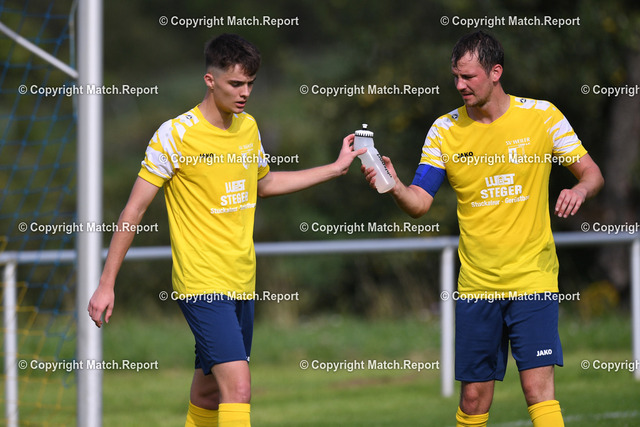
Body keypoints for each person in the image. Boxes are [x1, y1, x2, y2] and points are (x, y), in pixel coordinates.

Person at [88, 33, 365, 427]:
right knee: (238, 389)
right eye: (235, 83)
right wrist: (106, 283)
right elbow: (133, 210)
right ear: (210, 79)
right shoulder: (175, 135)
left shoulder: (248, 128)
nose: (244, 92)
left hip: (242, 281)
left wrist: (335, 169)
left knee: (208, 392)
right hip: (201, 284)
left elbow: (265, 183)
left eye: (250, 83)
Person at [361, 30, 604, 427]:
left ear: (495, 72)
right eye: (455, 77)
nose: (460, 85)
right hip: (477, 286)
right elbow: (420, 202)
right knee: (474, 398)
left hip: (533, 279)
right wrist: (395, 186)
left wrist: (579, 189)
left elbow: (592, 173)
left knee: (537, 389)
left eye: (468, 77)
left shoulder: (543, 116)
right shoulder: (444, 130)